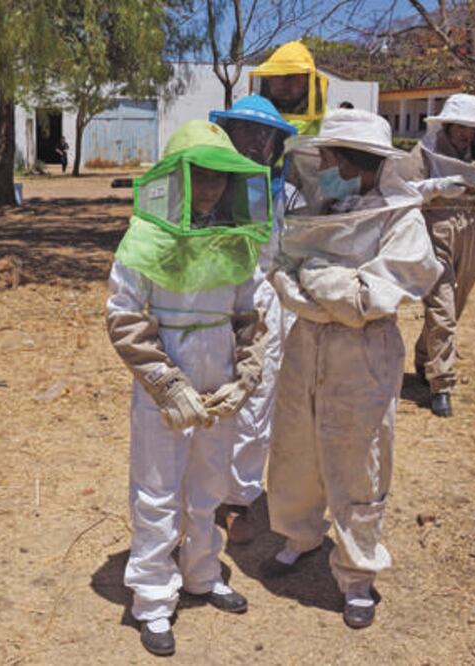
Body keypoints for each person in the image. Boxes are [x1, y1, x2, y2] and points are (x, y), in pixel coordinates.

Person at [263, 110, 443, 629]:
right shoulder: (322, 207)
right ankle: (300, 535)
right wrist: (317, 290)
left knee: (357, 458)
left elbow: (372, 297)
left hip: (362, 350)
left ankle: (358, 574)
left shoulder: (400, 219)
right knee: (296, 444)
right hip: (307, 341)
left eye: (329, 157)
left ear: (351, 161)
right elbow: (282, 271)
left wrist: (315, 278)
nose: (320, 166)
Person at [106, 120, 272, 656]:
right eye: (199, 175)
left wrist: (244, 378)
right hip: (166, 385)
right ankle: (153, 599)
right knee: (157, 491)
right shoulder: (145, 235)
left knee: (209, 485)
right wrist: (165, 383)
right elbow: (124, 317)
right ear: (175, 177)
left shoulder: (238, 239)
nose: (210, 188)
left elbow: (251, 317)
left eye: (219, 177)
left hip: (218, 377)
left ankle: (202, 573)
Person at [208, 95, 297, 542]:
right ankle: (205, 492)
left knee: (257, 397)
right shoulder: (207, 179)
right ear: (229, 133)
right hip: (209, 297)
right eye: (246, 131)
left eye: (266, 134)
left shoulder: (287, 188)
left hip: (264, 300)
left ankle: (240, 497)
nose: (256, 142)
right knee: (209, 391)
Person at [400, 94, 475, 417]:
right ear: (448, 124)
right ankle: (441, 384)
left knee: (454, 306)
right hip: (434, 228)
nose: (466, 134)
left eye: (472, 128)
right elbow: (403, 190)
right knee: (441, 306)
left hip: (471, 233)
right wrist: (437, 187)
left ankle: (424, 356)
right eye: (462, 127)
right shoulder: (424, 151)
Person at [249, 40, 328, 136]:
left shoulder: (329, 121)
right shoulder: (255, 115)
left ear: (308, 81)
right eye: (276, 76)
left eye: (291, 76)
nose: (282, 84)